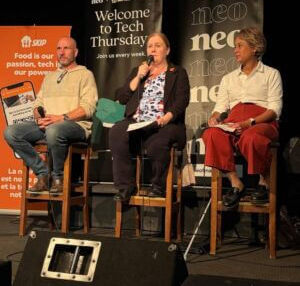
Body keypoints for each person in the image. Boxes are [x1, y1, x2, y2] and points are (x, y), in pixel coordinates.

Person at [4, 36, 98, 193]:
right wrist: (39, 117)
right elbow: (37, 104)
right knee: (11, 132)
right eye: (59, 49)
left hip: (76, 125)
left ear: (75, 52)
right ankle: (43, 174)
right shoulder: (49, 77)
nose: (62, 52)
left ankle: (58, 177)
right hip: (48, 124)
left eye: (66, 48)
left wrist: (61, 118)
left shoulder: (85, 74)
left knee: (54, 130)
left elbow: (88, 108)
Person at [202, 27, 283, 209]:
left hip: (262, 122)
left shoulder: (271, 74)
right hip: (235, 122)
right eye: (234, 46)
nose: (235, 50)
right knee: (211, 134)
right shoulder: (228, 79)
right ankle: (235, 182)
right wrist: (214, 118)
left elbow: (275, 109)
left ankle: (263, 182)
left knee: (252, 137)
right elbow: (220, 108)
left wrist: (250, 122)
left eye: (240, 45)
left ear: (255, 48)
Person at [109, 32, 190, 202]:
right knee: (117, 132)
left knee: (158, 142)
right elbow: (123, 97)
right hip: (137, 121)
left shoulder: (177, 72)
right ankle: (125, 186)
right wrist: (138, 76)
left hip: (165, 122)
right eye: (149, 46)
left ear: (167, 50)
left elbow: (182, 100)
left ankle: (158, 186)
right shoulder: (139, 72)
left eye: (157, 46)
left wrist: (166, 118)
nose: (153, 49)